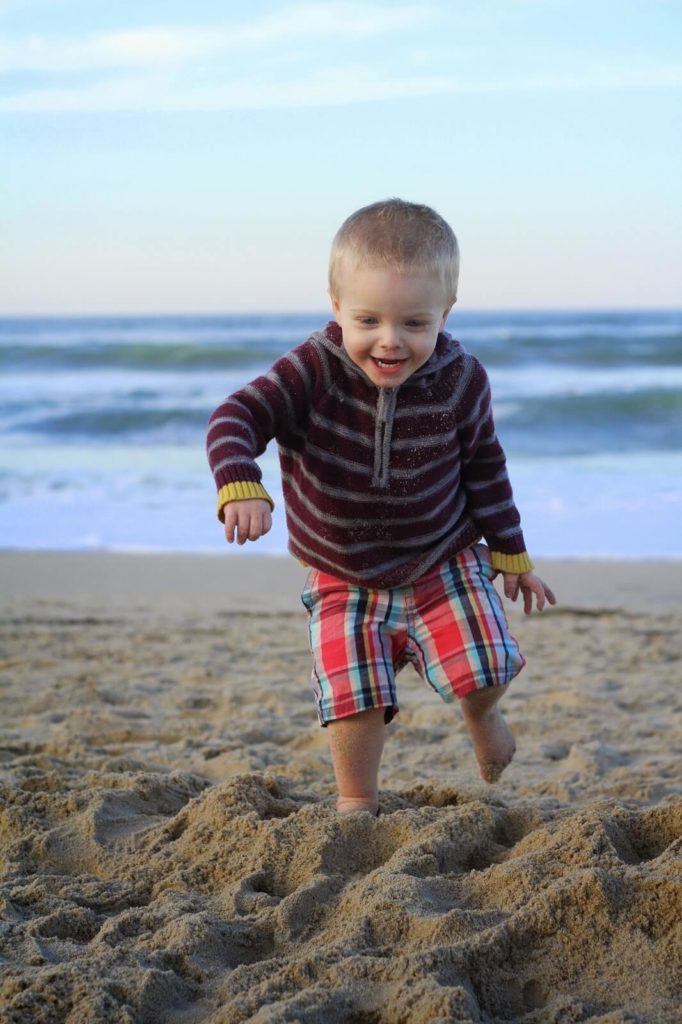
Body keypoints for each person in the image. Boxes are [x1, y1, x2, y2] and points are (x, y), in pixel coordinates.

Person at [206, 198, 556, 816]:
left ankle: (485, 717)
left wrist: (511, 551)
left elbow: (485, 467)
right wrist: (241, 481)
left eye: (415, 324)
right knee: (354, 696)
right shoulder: (311, 369)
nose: (390, 341)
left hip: (442, 557)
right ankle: (356, 803)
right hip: (341, 570)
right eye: (368, 320)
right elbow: (237, 415)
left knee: (486, 666)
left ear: (444, 314)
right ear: (335, 305)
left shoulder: (462, 379)